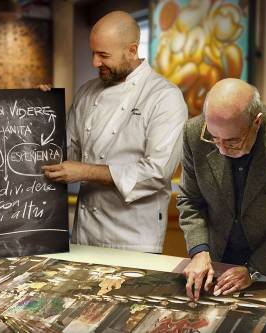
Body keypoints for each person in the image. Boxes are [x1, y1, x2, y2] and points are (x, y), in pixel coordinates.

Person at [42, 11, 188, 253]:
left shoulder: (164, 97)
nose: (95, 63)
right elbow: (66, 152)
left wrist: (85, 171)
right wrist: (41, 110)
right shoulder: (87, 92)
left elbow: (157, 172)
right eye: (93, 53)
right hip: (84, 233)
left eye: (103, 55)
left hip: (133, 238)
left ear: (132, 50)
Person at [177, 78, 266, 300]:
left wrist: (253, 270)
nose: (221, 150)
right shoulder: (193, 132)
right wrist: (199, 251)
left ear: (256, 122)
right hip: (216, 261)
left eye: (232, 141)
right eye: (214, 139)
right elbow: (190, 200)